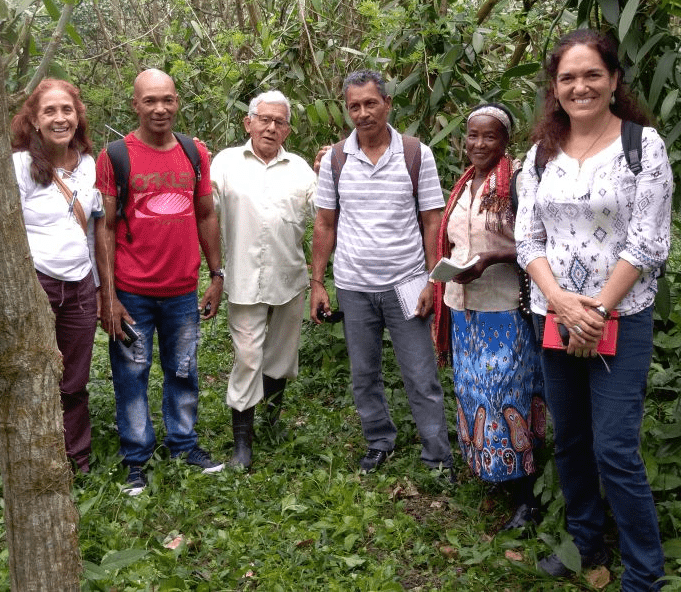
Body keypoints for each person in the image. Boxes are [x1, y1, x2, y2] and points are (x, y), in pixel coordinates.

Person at [515, 29, 672, 589]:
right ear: (554, 89)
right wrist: (560, 302)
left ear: (613, 81)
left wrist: (597, 311)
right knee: (572, 438)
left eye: (591, 75)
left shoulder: (642, 145)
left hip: (621, 318)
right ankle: (585, 544)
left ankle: (643, 575)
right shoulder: (539, 156)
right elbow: (528, 239)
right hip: (551, 313)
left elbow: (648, 241)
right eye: (567, 78)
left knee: (615, 449)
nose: (580, 87)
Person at [310, 70, 453, 474]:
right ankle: (378, 440)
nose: (363, 113)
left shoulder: (414, 153)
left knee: (421, 374)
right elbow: (325, 223)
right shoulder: (336, 159)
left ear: (388, 104)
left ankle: (437, 455)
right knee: (363, 373)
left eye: (371, 103)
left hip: (407, 282)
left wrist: (432, 280)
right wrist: (318, 282)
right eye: (354, 106)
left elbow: (431, 219)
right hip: (354, 286)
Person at [95, 68, 225, 496]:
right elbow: (107, 228)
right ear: (135, 104)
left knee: (183, 370)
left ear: (177, 101)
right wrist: (108, 295)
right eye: (150, 100)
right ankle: (136, 459)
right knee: (131, 375)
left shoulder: (194, 152)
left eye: (167, 99)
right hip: (132, 291)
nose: (160, 108)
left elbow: (205, 214)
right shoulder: (115, 156)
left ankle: (184, 445)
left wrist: (216, 273)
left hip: (182, 290)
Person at [432, 103, 545, 529]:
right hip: (463, 310)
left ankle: (527, 495)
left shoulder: (516, 182)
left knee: (506, 396)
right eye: (472, 135)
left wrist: (493, 256)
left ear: (505, 141)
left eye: (489, 136)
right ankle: (494, 471)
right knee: (474, 392)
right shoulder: (466, 184)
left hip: (504, 310)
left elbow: (540, 241)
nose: (478, 144)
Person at [210, 91, 316, 470]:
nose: (271, 127)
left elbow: (325, 215)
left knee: (281, 357)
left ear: (288, 128)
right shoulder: (224, 164)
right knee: (248, 356)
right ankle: (243, 443)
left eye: (280, 122)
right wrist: (212, 271)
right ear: (248, 122)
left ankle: (270, 422)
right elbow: (205, 212)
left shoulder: (302, 169)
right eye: (264, 119)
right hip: (242, 278)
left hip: (289, 277)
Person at [11, 79, 103, 475]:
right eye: (49, 111)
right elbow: (6, 232)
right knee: (34, 375)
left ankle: (76, 460)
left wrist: (99, 288)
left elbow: (92, 229)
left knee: (74, 380)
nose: (60, 118)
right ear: (33, 119)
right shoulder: (18, 166)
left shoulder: (87, 163)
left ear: (77, 116)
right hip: (38, 282)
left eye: (67, 110)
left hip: (80, 285)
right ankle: (36, 459)